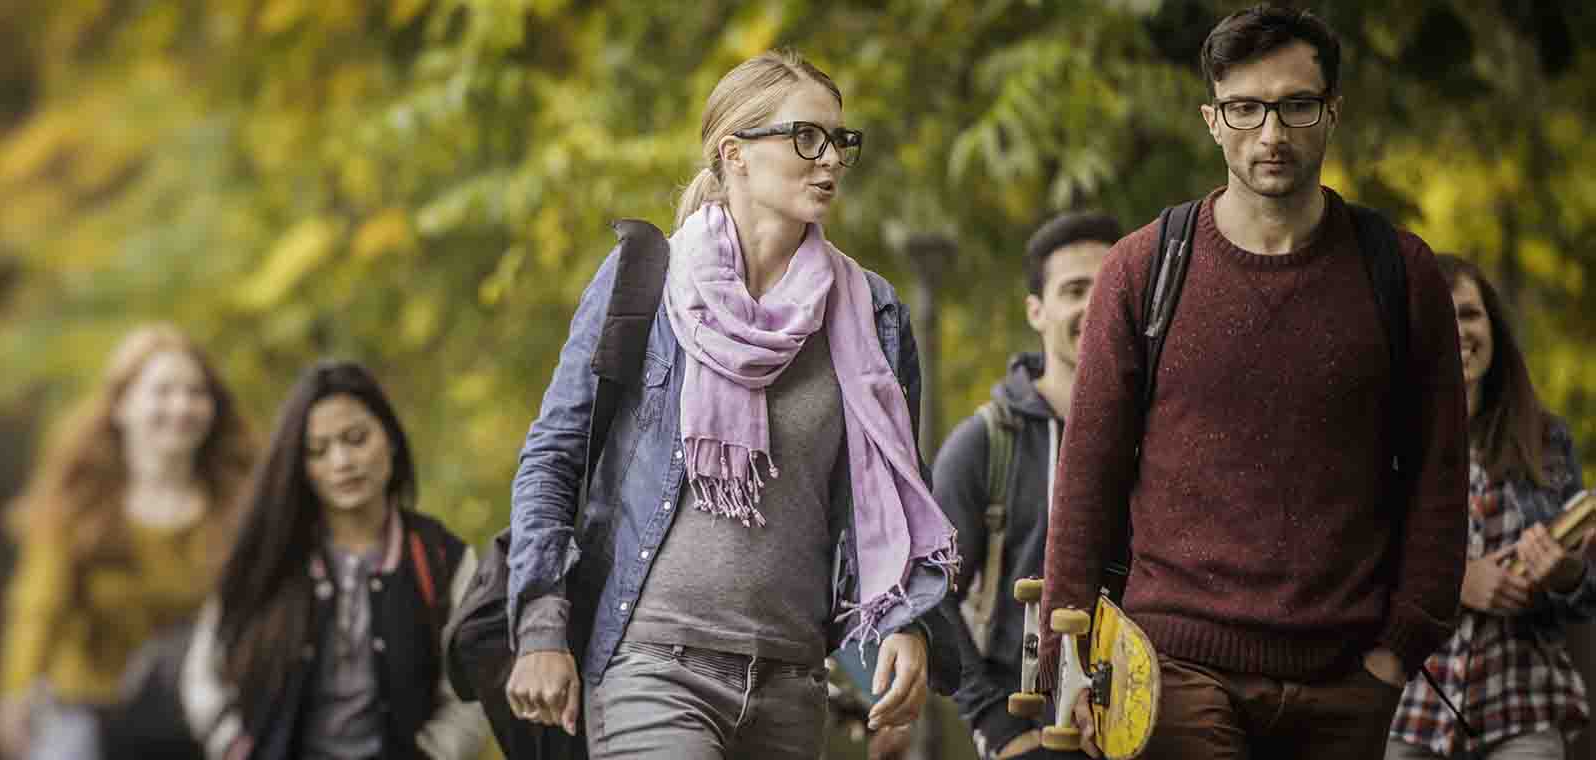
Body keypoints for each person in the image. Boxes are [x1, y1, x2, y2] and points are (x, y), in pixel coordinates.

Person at [1038, 5, 1470, 758]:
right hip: (1174, 669)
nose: (1271, 134)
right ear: (1212, 118)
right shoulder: (1143, 270)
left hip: (1347, 675)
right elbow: (1087, 479)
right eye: (1246, 108)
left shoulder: (1400, 272)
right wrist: (1063, 663)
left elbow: (1441, 476)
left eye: (1296, 105)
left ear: (1331, 111)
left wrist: (1399, 649)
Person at [503, 48, 959, 759]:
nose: (830, 159)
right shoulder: (644, 283)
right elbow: (552, 457)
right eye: (806, 137)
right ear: (735, 152)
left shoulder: (872, 313)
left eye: (840, 140)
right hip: (653, 664)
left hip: (793, 683)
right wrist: (540, 623)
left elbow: (897, 500)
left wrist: (907, 622)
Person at [179, 361, 488, 760]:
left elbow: (471, 693)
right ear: (300, 465)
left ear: (390, 437)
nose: (342, 462)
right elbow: (204, 675)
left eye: (356, 438)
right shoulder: (268, 555)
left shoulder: (442, 557)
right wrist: (236, 748)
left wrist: (432, 755)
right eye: (318, 451)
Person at [0, 325, 256, 760]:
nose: (181, 406)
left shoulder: (240, 504)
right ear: (122, 405)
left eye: (195, 392)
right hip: (90, 710)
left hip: (201, 711)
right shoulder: (78, 506)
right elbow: (37, 606)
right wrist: (15, 689)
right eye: (163, 392)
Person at [1386, 255, 1593, 759]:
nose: (1459, 330)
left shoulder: (1545, 439)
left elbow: (1587, 589)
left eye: (1471, 314)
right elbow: (1351, 564)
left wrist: (1564, 575)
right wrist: (1458, 582)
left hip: (1520, 702)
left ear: (1493, 326)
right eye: (1443, 314)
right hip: (1411, 706)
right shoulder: (1385, 442)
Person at [934, 212, 1121, 759]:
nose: (1093, 305)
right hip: (1032, 734)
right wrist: (999, 727)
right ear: (1036, 311)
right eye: (1074, 290)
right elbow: (931, 594)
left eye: (1108, 287)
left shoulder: (1162, 434)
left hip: (1150, 725)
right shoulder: (984, 445)